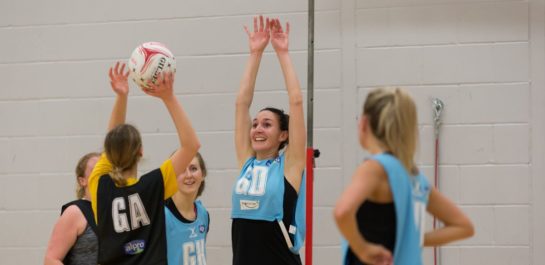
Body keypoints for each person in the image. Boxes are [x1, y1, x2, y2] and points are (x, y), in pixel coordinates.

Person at [334, 87, 475, 265]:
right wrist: (414, 238)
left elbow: (342, 212)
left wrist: (363, 249)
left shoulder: (375, 168)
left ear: (363, 124)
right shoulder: (415, 177)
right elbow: (464, 226)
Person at [88, 62, 200, 265]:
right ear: (140, 151)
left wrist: (121, 96)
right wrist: (169, 97)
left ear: (109, 151)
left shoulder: (99, 184)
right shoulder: (154, 184)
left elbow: (114, 139)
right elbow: (192, 145)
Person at [231, 15, 307, 265]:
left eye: (267, 124)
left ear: (283, 135)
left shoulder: (290, 167)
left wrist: (282, 53)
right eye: (255, 124)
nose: (257, 129)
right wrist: (255, 54)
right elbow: (242, 103)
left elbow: (296, 102)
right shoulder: (246, 163)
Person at [44, 152, 100, 265]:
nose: (101, 173)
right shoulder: (75, 212)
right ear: (82, 181)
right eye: (96, 170)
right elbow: (50, 260)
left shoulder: (116, 210)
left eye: (104, 169)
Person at [165, 152, 210, 265]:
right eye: (181, 170)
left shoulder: (203, 214)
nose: (188, 175)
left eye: (193, 168)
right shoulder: (163, 215)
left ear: (203, 174)